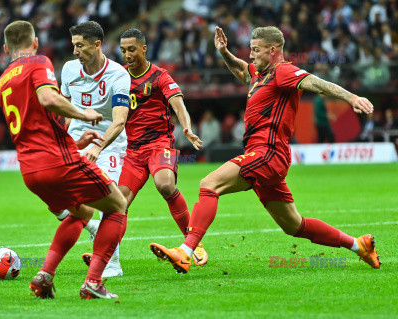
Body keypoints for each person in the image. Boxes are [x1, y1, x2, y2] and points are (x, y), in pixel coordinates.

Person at [150, 26, 380, 273]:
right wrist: (224, 52)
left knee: (209, 184)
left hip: (267, 153)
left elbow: (317, 83)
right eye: (250, 50)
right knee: (294, 225)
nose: (251, 55)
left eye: (255, 50)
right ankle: (360, 246)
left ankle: (186, 252)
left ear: (272, 51)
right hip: (263, 156)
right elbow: (241, 70)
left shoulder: (284, 71)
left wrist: (352, 98)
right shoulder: (260, 74)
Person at [0, 20, 127, 300]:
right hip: (58, 163)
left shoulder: (4, 78)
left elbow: (36, 126)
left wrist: (73, 142)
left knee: (83, 212)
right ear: (34, 43)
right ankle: (94, 281)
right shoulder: (38, 62)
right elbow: (48, 99)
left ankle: (44, 276)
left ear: (6, 48)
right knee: (118, 205)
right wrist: (84, 114)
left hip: (30, 170)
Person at [81, 28, 208, 270]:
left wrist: (187, 127)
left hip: (159, 144)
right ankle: (105, 254)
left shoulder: (160, 76)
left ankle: (194, 244)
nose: (127, 54)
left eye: (131, 49)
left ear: (143, 49)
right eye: (123, 50)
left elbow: (177, 104)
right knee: (119, 202)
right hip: (133, 151)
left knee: (165, 185)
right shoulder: (119, 78)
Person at [59, 21, 131, 277]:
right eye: (73, 45)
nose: (75, 51)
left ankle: (112, 264)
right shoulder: (69, 70)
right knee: (59, 203)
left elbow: (120, 121)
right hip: (76, 140)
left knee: (108, 202)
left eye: (80, 45)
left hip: (108, 144)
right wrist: (63, 142)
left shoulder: (118, 75)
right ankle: (94, 228)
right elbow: (65, 111)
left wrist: (98, 149)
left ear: (97, 44)